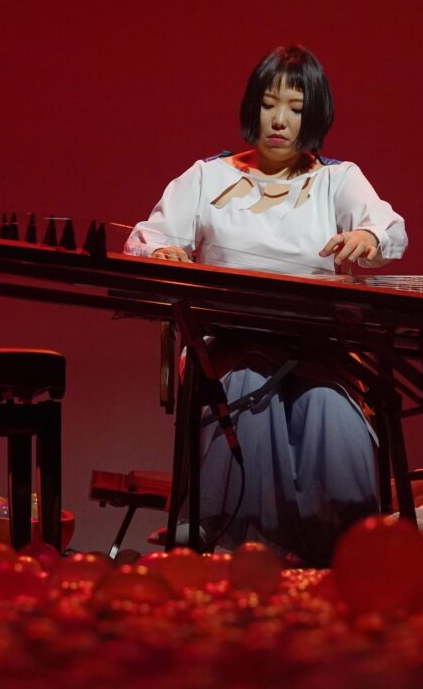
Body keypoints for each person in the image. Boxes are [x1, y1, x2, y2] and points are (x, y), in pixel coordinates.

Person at [126, 45, 408, 564]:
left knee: (330, 410)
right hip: (228, 343)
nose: (279, 121)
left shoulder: (337, 179)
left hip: (317, 345)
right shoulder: (207, 177)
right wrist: (164, 249)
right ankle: (235, 540)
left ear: (315, 115)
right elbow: (146, 237)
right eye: (269, 103)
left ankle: (341, 552)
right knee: (248, 392)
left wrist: (367, 235)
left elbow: (388, 226)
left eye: (296, 108)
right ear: (252, 106)